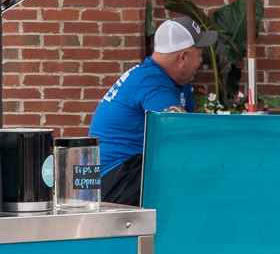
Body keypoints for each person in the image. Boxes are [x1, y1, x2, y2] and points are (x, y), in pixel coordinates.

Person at [91, 18, 215, 206]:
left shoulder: (177, 81)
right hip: (113, 178)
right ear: (183, 57)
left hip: (130, 171)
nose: (201, 61)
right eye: (200, 54)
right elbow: (180, 132)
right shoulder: (151, 81)